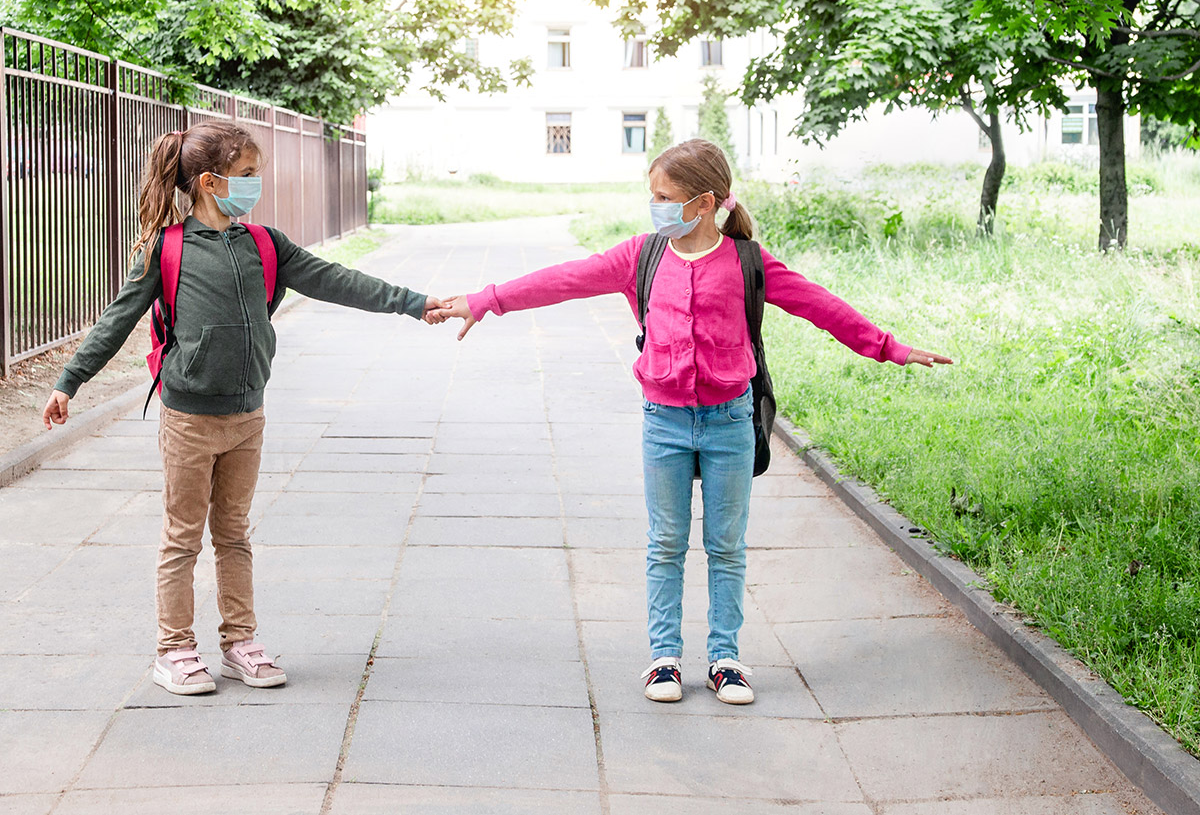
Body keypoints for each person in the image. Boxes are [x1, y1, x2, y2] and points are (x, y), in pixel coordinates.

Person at [436, 138, 952, 705]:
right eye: (651, 195)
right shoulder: (642, 256)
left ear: (704, 203)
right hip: (665, 422)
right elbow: (562, 279)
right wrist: (484, 300)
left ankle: (726, 660)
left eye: (665, 196)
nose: (654, 206)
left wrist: (891, 348)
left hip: (730, 421)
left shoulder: (746, 262)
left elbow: (819, 305)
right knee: (666, 541)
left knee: (726, 544)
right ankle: (664, 659)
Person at [41, 120, 446, 695]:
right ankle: (174, 648)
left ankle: (239, 642)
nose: (257, 186)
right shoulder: (168, 247)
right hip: (187, 418)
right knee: (182, 536)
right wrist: (69, 381)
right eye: (248, 175)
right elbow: (118, 317)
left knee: (233, 533)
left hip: (247, 415)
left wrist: (413, 302)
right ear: (210, 182)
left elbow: (337, 280)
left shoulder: (265, 243)